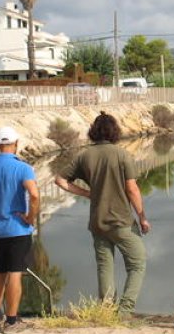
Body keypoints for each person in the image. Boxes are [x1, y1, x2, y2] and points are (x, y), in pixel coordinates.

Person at [55, 112, 151, 316]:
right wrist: (142, 216)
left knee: (104, 266)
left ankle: (107, 310)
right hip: (121, 220)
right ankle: (125, 310)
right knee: (138, 262)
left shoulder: (84, 155)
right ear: (115, 132)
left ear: (94, 132)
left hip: (97, 221)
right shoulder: (121, 154)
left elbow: (60, 180)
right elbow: (132, 189)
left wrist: (87, 193)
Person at [0, 126, 40, 332]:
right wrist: (30, 218)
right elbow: (34, 195)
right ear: (16, 144)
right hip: (17, 229)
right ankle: (12, 321)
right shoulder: (23, 168)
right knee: (15, 273)